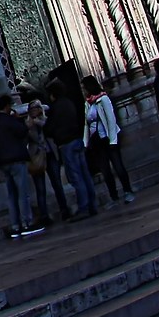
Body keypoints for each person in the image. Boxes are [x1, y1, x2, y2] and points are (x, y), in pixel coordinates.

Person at [0, 94, 40, 239]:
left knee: (11, 195)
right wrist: (18, 120)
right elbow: (23, 131)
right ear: (7, 106)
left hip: (2, 162)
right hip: (16, 160)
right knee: (23, 193)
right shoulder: (10, 121)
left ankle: (15, 225)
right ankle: (26, 222)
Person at [45, 78, 98, 217]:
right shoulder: (69, 103)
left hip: (66, 143)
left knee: (75, 176)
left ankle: (84, 207)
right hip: (77, 139)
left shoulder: (56, 108)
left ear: (53, 94)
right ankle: (92, 204)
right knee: (85, 174)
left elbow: (50, 128)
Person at [82, 75, 136, 203]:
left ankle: (127, 190)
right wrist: (85, 142)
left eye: (84, 88)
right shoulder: (87, 103)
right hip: (96, 139)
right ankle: (114, 196)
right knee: (105, 169)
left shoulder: (103, 99)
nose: (83, 90)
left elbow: (111, 120)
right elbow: (86, 124)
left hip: (107, 136)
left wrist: (113, 140)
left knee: (117, 165)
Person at [23, 89, 69, 224]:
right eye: (32, 109)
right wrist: (31, 126)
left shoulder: (46, 121)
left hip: (50, 154)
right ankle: (44, 215)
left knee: (57, 183)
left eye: (37, 108)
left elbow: (51, 131)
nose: (35, 110)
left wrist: (40, 122)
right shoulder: (28, 125)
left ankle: (64, 209)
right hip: (37, 157)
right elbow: (26, 140)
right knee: (40, 188)